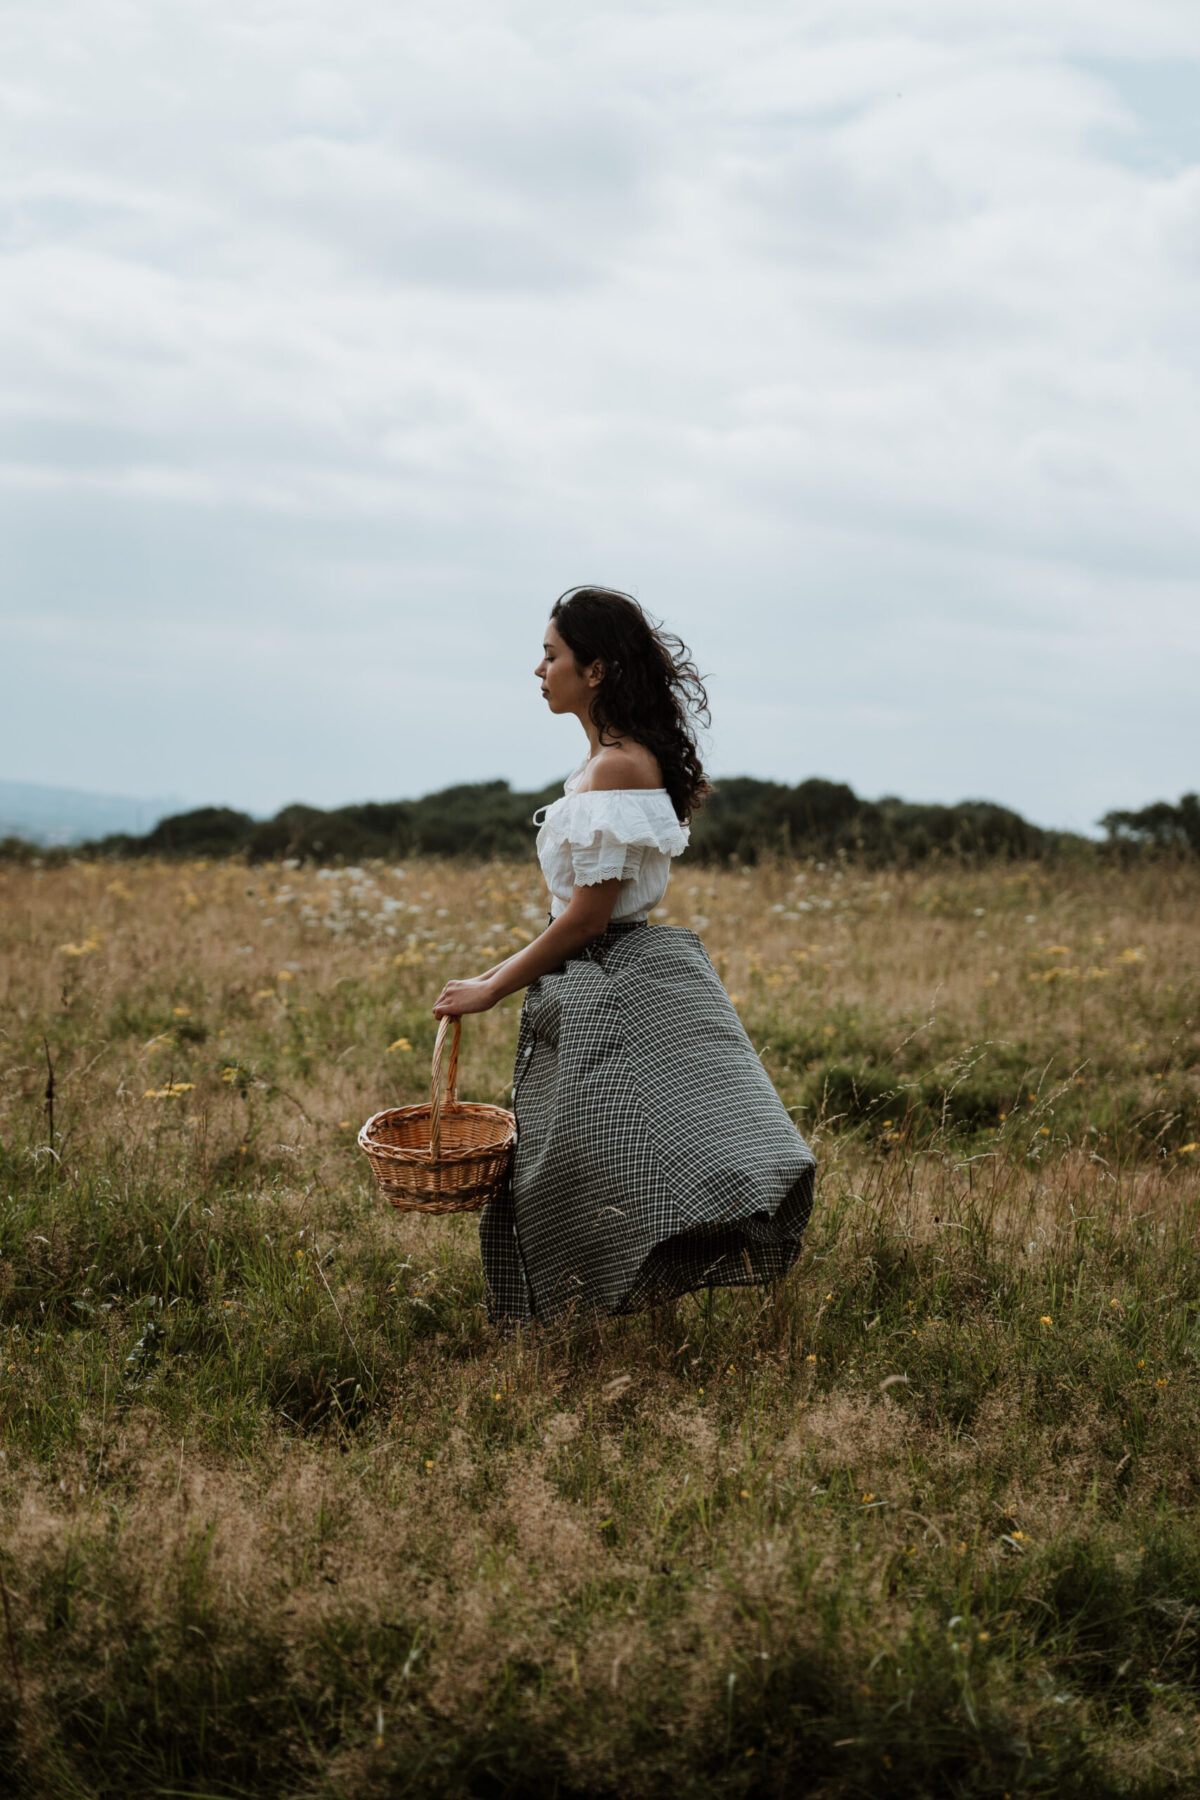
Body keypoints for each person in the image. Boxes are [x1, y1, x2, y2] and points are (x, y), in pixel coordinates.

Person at [433, 587, 816, 1325]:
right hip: (597, 980)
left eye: (552, 655)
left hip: (612, 981)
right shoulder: (603, 763)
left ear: (597, 669)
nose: (538, 670)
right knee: (576, 1164)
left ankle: (580, 1319)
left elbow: (588, 917)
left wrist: (492, 987)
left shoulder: (616, 769)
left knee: (580, 1168)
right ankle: (584, 1320)